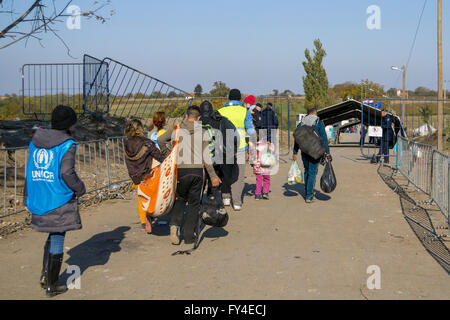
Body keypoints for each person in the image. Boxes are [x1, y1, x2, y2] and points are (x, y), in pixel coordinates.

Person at [24, 105, 86, 297]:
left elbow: (28, 170)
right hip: (58, 197)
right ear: (69, 125)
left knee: (51, 235)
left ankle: (45, 276)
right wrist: (80, 188)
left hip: (39, 194)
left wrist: (27, 196)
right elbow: (67, 172)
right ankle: (52, 284)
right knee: (58, 236)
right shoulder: (67, 145)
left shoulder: (35, 142)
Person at [158, 106, 221, 245]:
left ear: (186, 116)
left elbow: (160, 140)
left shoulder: (177, 128)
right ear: (199, 118)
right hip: (197, 171)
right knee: (194, 204)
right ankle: (188, 235)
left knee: (180, 199)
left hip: (180, 170)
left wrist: (168, 155)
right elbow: (206, 157)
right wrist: (213, 176)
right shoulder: (203, 131)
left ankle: (174, 225)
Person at [217, 89, 256, 211]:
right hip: (240, 147)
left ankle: (226, 197)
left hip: (223, 148)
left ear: (229, 98)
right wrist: (253, 145)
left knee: (225, 172)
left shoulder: (220, 111)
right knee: (238, 175)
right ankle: (237, 202)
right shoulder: (245, 111)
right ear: (239, 99)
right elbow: (250, 130)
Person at [124, 119, 165, 233]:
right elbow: (158, 155)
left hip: (134, 175)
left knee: (141, 198)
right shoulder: (146, 142)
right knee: (151, 197)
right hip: (147, 174)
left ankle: (144, 221)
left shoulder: (126, 143)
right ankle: (150, 216)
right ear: (140, 129)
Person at [293, 106, 331, 203]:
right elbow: (324, 138)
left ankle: (307, 192)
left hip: (304, 151)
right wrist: (327, 152)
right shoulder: (318, 122)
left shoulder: (301, 123)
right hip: (315, 151)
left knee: (307, 171)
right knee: (313, 173)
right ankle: (309, 196)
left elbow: (297, 138)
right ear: (314, 112)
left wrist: (295, 152)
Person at [199, 100, 238, 196]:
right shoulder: (218, 120)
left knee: (200, 181)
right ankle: (211, 198)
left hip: (199, 156)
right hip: (215, 155)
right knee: (214, 177)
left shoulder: (197, 121)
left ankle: (199, 202)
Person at [249, 132, 274, 200]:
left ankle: (257, 194)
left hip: (257, 166)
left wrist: (251, 162)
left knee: (259, 180)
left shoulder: (253, 145)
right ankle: (265, 192)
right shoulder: (266, 144)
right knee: (266, 179)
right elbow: (272, 150)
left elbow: (251, 155)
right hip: (265, 165)